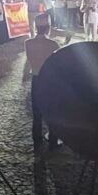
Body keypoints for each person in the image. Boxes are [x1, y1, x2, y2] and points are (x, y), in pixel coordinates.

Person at [25, 13, 59, 150]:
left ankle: (37, 139)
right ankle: (53, 140)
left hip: (36, 79)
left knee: (36, 113)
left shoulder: (28, 43)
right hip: (49, 81)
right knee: (52, 112)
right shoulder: (53, 44)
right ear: (48, 27)